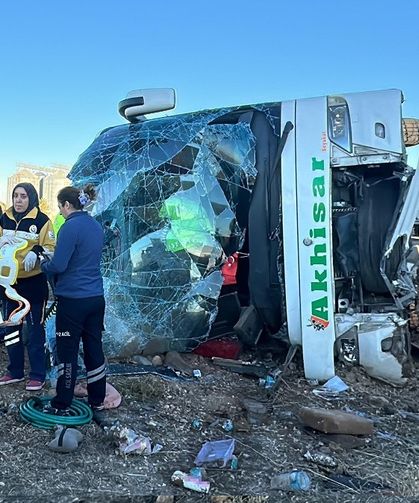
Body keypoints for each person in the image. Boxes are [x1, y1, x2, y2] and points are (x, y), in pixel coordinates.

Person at [41, 185, 106, 413]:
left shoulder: (70, 227)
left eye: (60, 207)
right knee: (94, 348)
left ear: (67, 205)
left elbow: (59, 265)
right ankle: (97, 399)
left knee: (67, 351)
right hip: (96, 298)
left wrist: (44, 264)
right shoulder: (95, 226)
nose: (59, 212)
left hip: (72, 301)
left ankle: (62, 403)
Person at [0, 183, 55, 390]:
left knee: (34, 330)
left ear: (31, 198)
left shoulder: (42, 220)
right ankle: (14, 371)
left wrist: (37, 251)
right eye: (15, 196)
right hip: (8, 283)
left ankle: (37, 374)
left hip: (33, 283)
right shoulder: (3, 218)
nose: (18, 200)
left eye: (23, 196)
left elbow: (51, 248)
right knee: (11, 328)